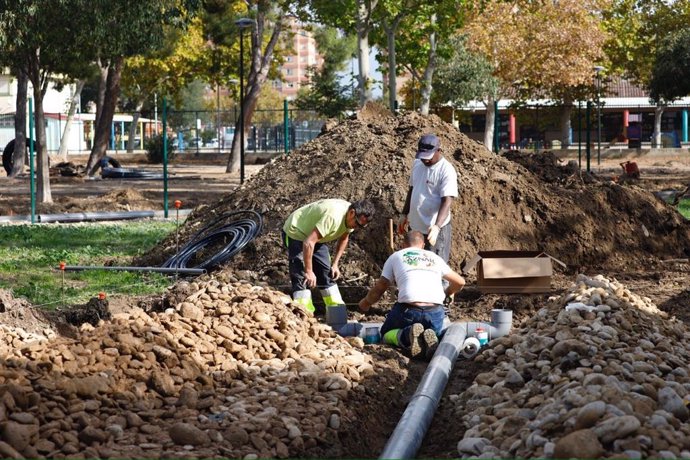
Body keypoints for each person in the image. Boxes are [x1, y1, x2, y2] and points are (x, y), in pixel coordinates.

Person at [358, 230, 466, 359]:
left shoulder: (396, 256)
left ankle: (407, 334)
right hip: (434, 311)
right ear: (423, 245)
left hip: (408, 310)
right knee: (437, 330)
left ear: (403, 244)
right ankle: (432, 336)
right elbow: (460, 282)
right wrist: (448, 292)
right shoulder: (434, 257)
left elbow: (380, 287)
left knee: (386, 334)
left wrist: (365, 303)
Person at [282, 198, 376, 315]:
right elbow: (308, 243)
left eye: (361, 226)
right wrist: (309, 270)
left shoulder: (353, 218)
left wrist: (335, 263)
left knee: (326, 273)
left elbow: (344, 237)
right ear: (352, 213)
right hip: (297, 231)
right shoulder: (333, 217)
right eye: (357, 224)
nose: (357, 227)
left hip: (315, 236)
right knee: (302, 276)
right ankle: (304, 316)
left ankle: (337, 314)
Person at [398, 133, 458, 264]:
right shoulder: (417, 164)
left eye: (428, 157)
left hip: (434, 230)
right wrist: (404, 214)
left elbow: (447, 201)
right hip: (415, 228)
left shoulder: (446, 170)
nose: (425, 160)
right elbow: (412, 189)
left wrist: (437, 226)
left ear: (438, 151)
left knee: (436, 267)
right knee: (416, 265)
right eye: (422, 157)